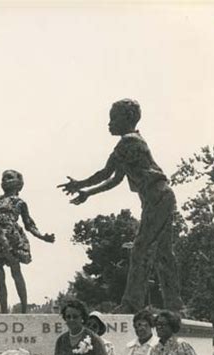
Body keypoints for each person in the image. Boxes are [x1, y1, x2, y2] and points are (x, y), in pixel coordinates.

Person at [58, 99, 183, 313]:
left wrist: (80, 184)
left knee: (140, 250)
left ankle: (132, 304)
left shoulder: (129, 142)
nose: (109, 123)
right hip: (158, 197)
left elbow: (105, 173)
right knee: (163, 254)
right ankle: (174, 306)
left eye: (113, 118)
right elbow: (115, 179)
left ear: (127, 118)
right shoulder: (130, 143)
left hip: (157, 197)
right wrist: (87, 192)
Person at [0, 169, 55, 313]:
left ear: (19, 183)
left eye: (9, 178)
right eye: (3, 178)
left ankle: (24, 309)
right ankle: (4, 311)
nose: (5, 181)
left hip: (11, 239)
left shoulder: (20, 202)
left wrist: (43, 236)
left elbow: (29, 224)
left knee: (16, 272)